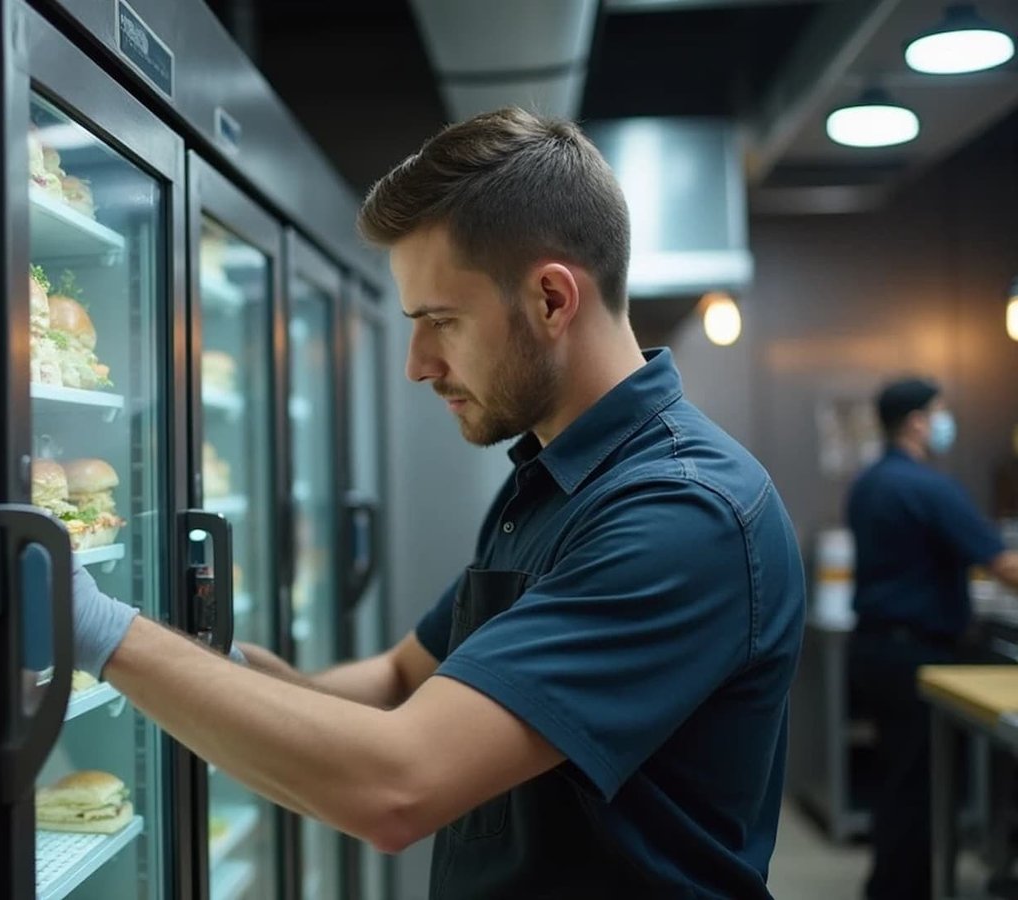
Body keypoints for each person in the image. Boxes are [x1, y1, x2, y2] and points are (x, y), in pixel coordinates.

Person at [67, 107, 806, 898]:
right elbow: (396, 682)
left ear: (553, 300)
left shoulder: (681, 518)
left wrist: (106, 635)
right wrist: (207, 664)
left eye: (441, 321)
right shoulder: (550, 482)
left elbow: (397, 787)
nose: (418, 364)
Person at [846, 377, 1018, 900]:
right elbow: (1004, 563)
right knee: (916, 786)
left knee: (897, 781)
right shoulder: (926, 487)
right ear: (918, 421)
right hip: (914, 654)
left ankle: (890, 885)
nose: (945, 422)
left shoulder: (870, 482)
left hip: (876, 648)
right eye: (939, 412)